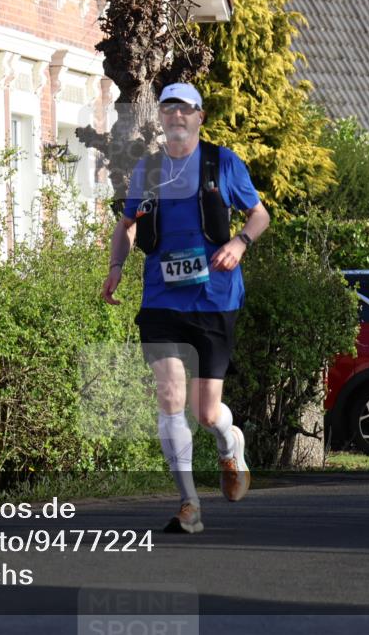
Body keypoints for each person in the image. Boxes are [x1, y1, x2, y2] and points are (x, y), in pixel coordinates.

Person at [101, 83, 270, 534]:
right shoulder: (148, 168)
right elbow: (127, 224)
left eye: (185, 109)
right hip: (161, 298)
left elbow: (259, 215)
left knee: (206, 413)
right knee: (169, 395)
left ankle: (229, 445)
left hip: (214, 299)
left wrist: (240, 242)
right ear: (160, 116)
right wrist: (116, 267)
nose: (176, 116)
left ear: (200, 116)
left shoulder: (223, 163)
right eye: (169, 109)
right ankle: (189, 504)